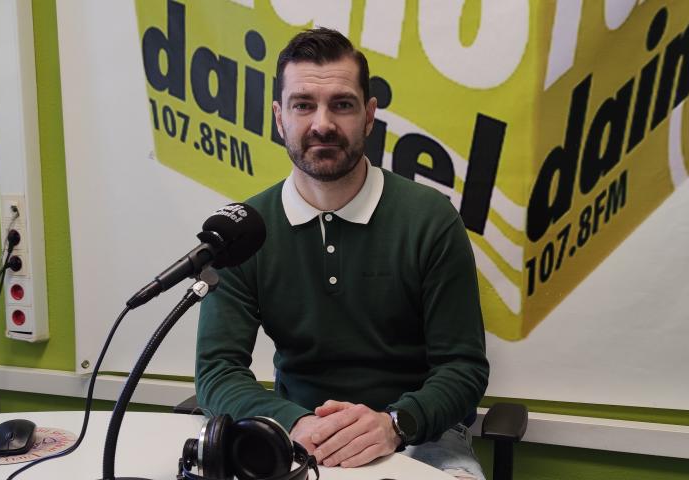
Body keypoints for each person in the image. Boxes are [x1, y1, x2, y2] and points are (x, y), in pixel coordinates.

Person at [196, 27, 489, 480]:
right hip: (292, 433)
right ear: (279, 118)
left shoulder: (431, 219)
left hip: (420, 436)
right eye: (303, 105)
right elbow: (217, 370)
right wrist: (296, 423)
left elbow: (463, 367)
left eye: (342, 104)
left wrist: (394, 424)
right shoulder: (243, 232)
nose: (322, 124)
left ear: (369, 116)